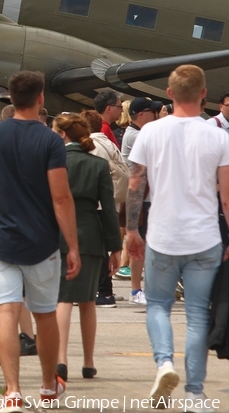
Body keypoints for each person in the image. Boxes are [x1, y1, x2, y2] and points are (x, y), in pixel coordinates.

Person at [0, 71, 80, 411]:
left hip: (0, 240)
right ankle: (47, 387)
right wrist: (72, 246)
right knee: (44, 315)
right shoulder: (51, 141)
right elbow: (60, 198)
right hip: (41, 242)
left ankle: (12, 391)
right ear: (40, 98)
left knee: (7, 313)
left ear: (10, 100)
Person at [126, 65, 229, 408]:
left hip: (163, 235)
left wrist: (131, 230)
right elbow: (226, 196)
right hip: (205, 238)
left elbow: (136, 185)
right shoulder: (218, 136)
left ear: (169, 94)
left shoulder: (150, 133)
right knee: (199, 313)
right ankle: (195, 393)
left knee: (158, 305)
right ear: (204, 94)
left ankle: (164, 363)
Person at [51, 114, 121, 383]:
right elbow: (108, 210)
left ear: (63, 135)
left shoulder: (55, 162)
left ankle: (61, 358)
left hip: (58, 233)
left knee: (63, 299)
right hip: (91, 235)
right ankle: (89, 362)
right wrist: (115, 247)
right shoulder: (97, 165)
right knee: (88, 300)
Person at [79, 110, 129, 309]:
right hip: (110, 203)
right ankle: (104, 290)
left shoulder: (92, 145)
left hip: (96, 204)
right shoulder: (108, 143)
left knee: (96, 250)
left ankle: (104, 291)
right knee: (101, 249)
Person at [122, 97, 162, 306]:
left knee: (147, 243)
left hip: (146, 197)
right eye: (152, 112)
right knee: (140, 244)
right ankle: (136, 290)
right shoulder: (136, 135)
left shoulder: (140, 133)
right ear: (140, 114)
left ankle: (141, 288)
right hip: (140, 198)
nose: (156, 115)